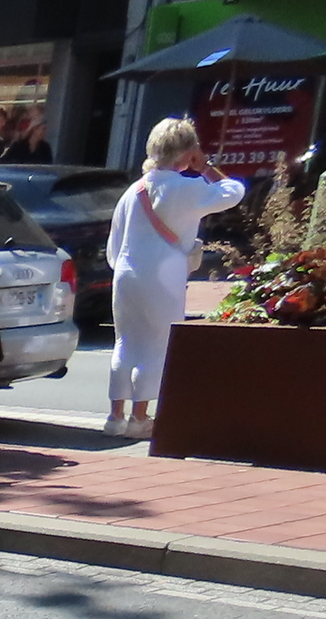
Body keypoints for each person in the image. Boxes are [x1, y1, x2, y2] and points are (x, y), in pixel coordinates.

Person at [105, 117, 245, 437]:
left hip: (126, 273)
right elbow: (233, 192)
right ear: (187, 152)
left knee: (125, 342)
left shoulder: (133, 190)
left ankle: (115, 416)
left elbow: (113, 244)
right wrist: (207, 166)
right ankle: (140, 419)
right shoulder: (187, 187)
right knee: (157, 344)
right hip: (164, 272)